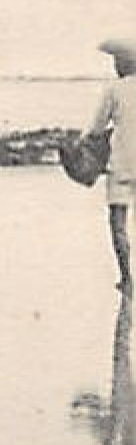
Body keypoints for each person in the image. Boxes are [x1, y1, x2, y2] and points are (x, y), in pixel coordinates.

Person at [87, 39, 136, 291]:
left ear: (124, 63)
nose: (115, 65)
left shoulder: (113, 90)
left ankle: (127, 279)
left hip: (122, 166)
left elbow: (96, 128)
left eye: (117, 60)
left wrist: (86, 141)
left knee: (118, 223)